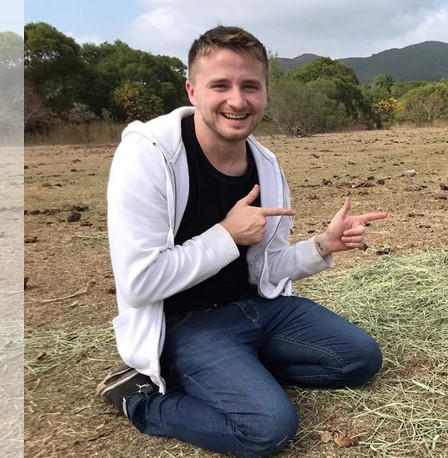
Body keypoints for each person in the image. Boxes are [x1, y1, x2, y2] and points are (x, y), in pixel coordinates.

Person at [96, 25, 387, 456]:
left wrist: (322, 245)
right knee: (269, 428)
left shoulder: (266, 166)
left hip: (257, 309)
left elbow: (264, 267)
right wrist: (226, 235)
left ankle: (243, 371)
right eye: (221, 85)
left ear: (265, 94)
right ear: (192, 90)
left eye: (250, 86)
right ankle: (140, 400)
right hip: (184, 324)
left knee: (360, 359)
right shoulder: (148, 157)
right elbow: (139, 283)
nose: (237, 100)